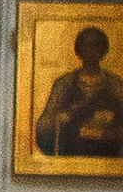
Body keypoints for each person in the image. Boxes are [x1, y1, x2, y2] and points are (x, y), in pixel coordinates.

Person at [35, 23, 123, 164]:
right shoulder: (64, 83)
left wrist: (109, 128)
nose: (91, 52)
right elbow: (43, 126)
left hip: (107, 156)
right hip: (70, 155)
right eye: (86, 46)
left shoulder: (115, 84)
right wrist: (62, 118)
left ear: (103, 51)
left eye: (96, 46)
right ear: (78, 50)